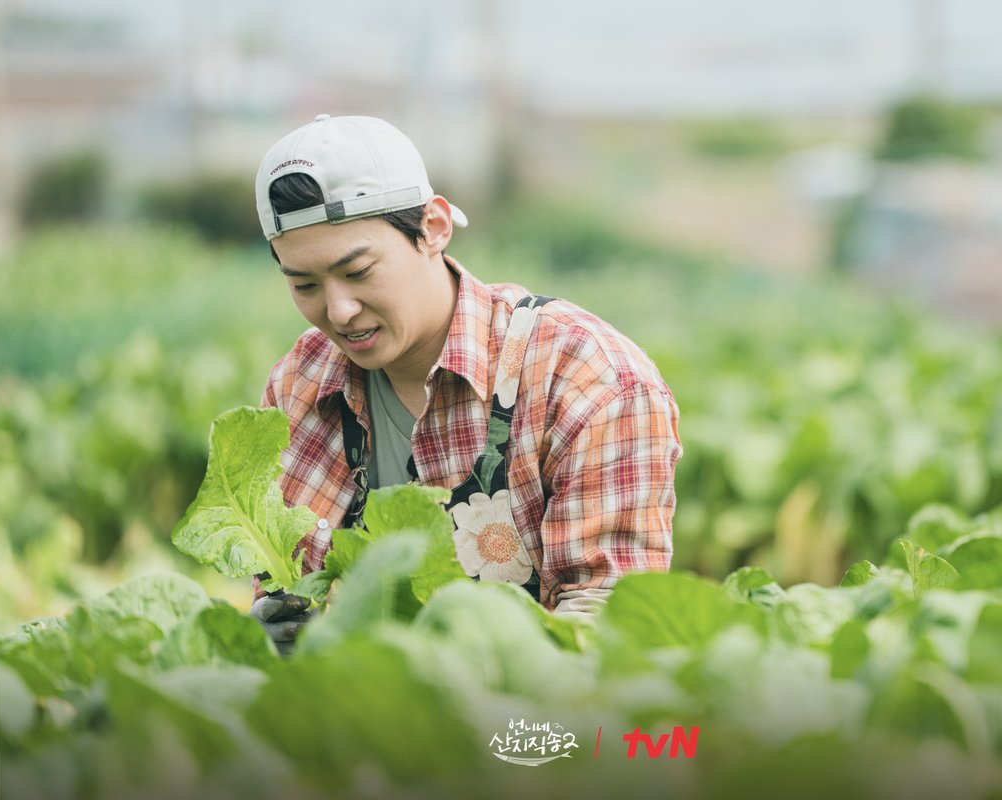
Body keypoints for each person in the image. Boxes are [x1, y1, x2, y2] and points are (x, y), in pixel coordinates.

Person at [248, 114, 682, 651]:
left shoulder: (588, 377)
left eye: (358, 272)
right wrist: (277, 625)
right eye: (304, 284)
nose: (339, 310)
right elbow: (284, 579)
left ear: (432, 228)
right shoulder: (300, 383)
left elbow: (608, 619)